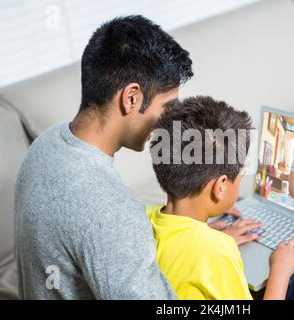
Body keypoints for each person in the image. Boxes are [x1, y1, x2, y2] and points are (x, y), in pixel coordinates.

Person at [14, 16, 254, 300]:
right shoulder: (110, 210)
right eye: (168, 107)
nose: (171, 121)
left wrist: (198, 242)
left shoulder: (46, 144)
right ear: (131, 98)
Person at [147, 96, 294, 299]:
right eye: (241, 175)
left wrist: (208, 236)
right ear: (219, 187)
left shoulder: (145, 218)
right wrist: (280, 271)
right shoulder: (218, 250)